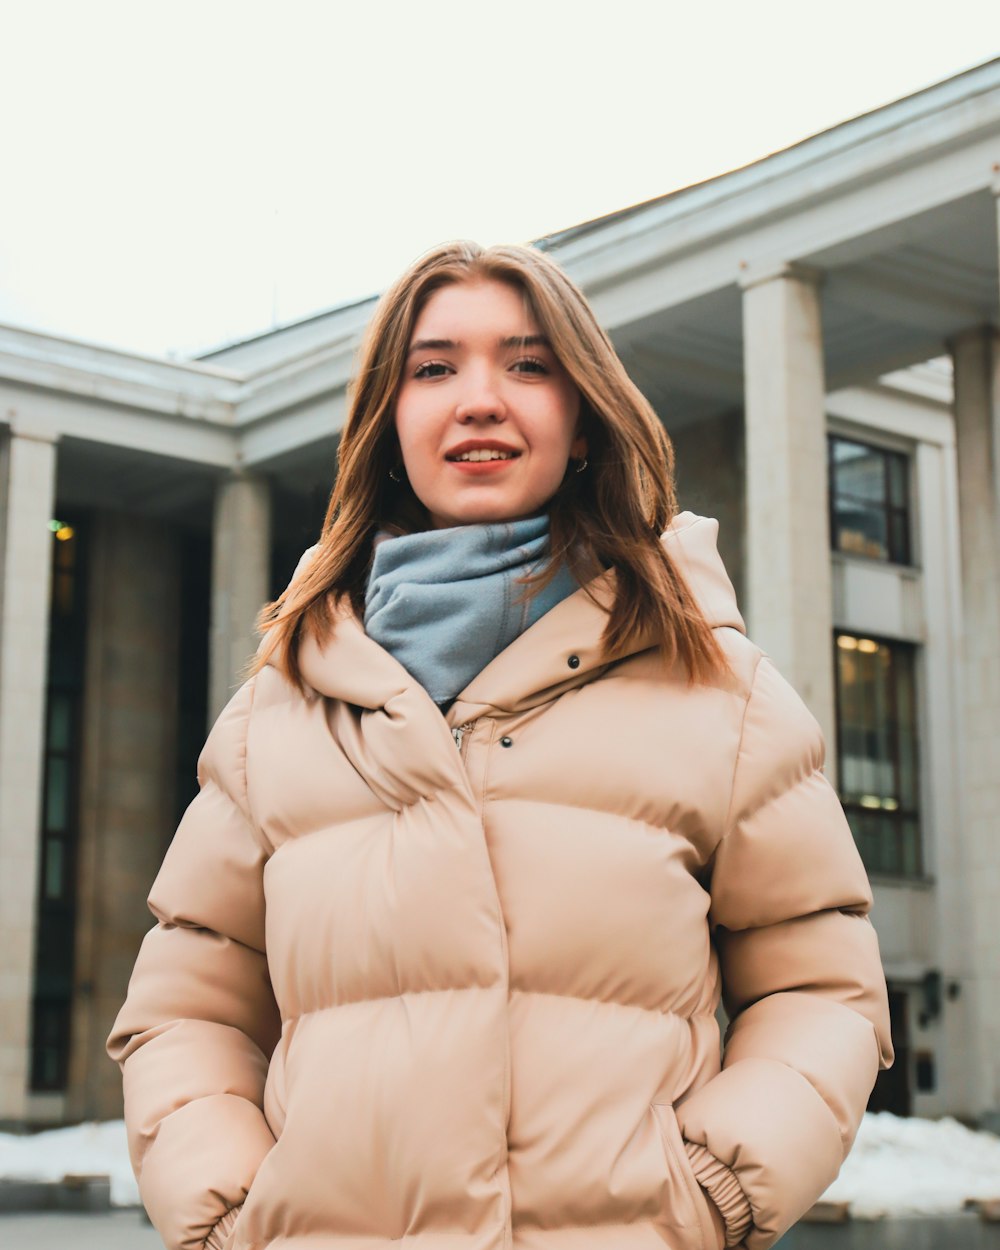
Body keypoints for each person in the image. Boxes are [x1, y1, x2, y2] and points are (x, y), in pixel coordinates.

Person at [108, 241, 893, 1250]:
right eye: (433, 368)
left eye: (527, 364)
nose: (479, 398)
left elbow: (819, 984)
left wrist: (712, 1192)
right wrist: (226, 1211)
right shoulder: (278, 710)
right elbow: (185, 1009)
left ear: (581, 421)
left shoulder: (716, 687)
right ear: (388, 425)